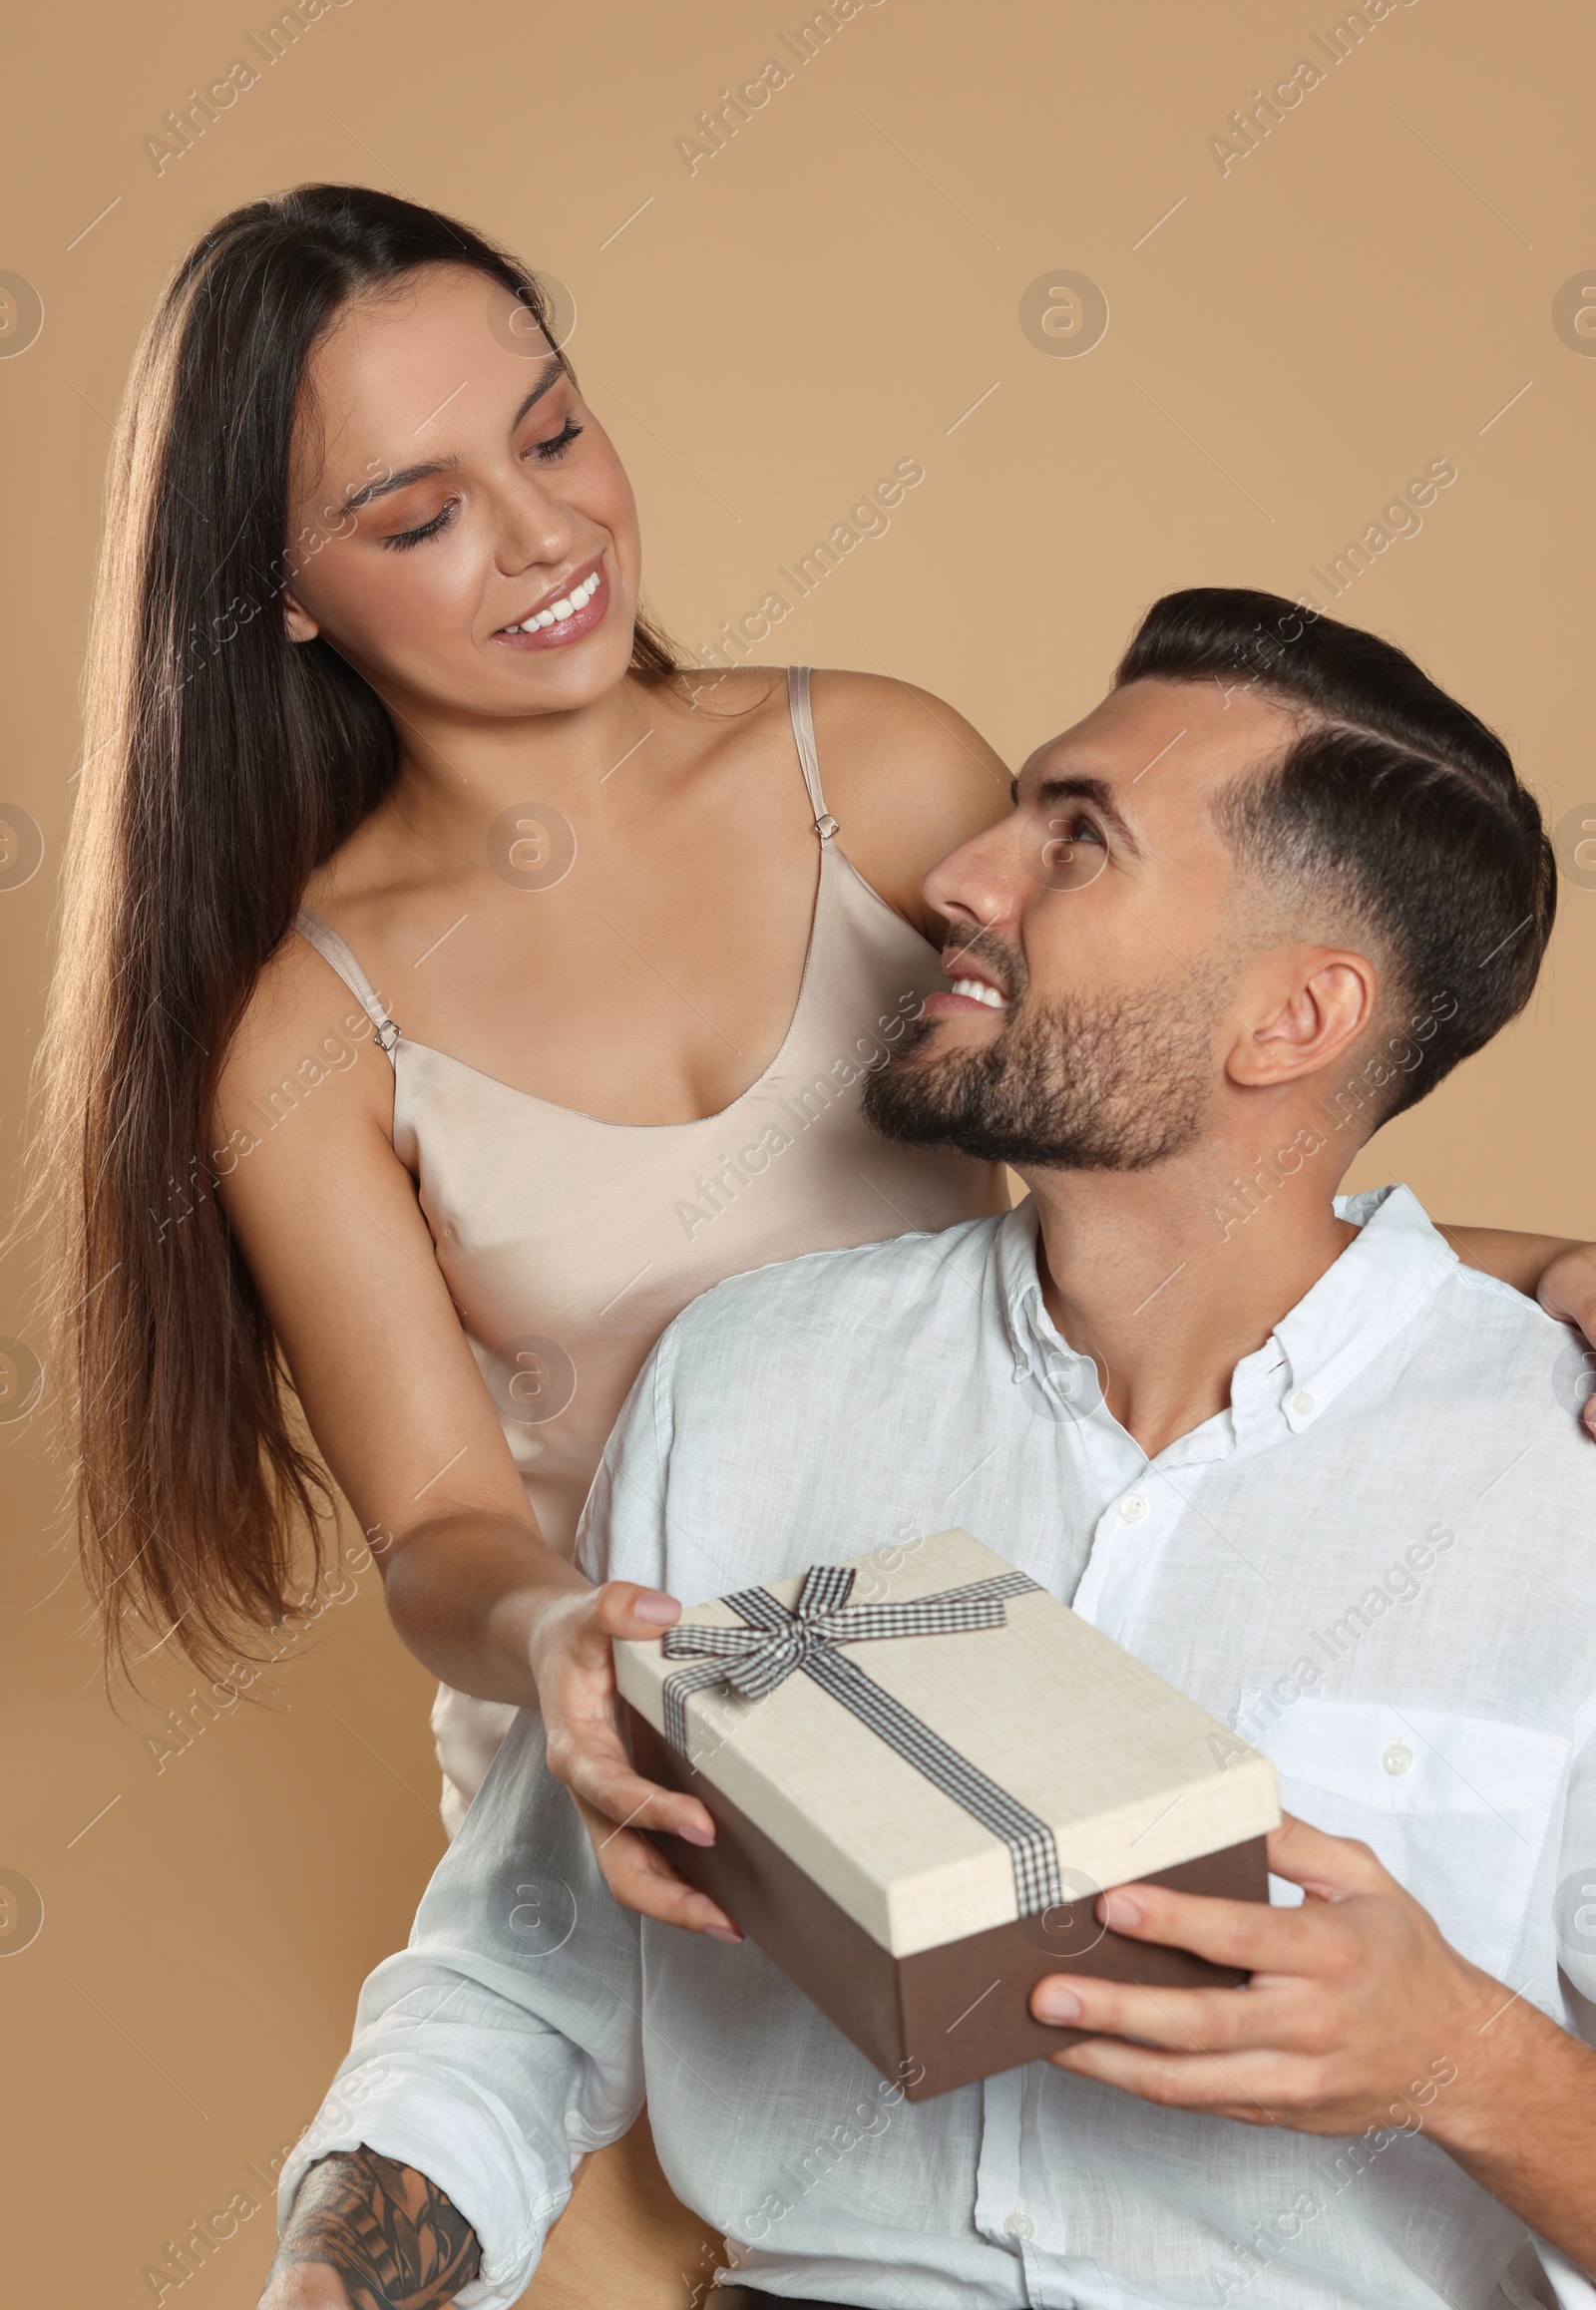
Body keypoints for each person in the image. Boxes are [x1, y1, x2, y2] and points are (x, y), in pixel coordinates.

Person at [265, 591, 1595, 2309]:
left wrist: (1463, 2062)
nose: (962, 876)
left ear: (1292, 1023)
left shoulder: (1554, 1475)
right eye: (1017, 806)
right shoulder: (746, 1385)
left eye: (1079, 843)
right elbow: (515, 1998)